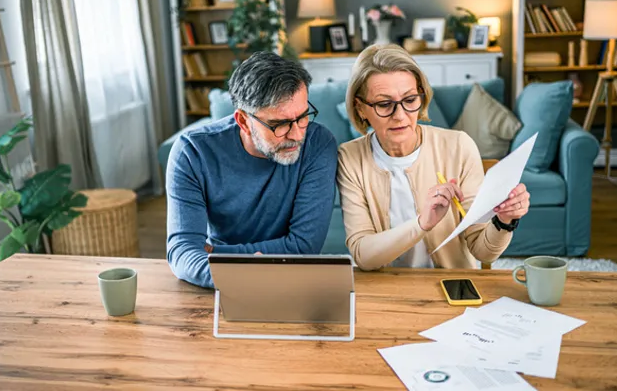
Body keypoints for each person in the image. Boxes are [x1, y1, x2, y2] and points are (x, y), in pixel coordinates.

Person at [337, 44, 530, 270]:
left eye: (409, 100)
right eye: (384, 104)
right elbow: (363, 255)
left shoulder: (459, 146)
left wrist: (504, 220)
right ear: (360, 108)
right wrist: (422, 223)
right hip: (386, 289)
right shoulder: (349, 158)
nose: (400, 116)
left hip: (451, 286)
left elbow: (483, 252)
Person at [166, 52, 338, 288]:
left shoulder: (319, 144)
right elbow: (182, 252)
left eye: (303, 117)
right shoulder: (192, 152)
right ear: (244, 121)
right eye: (280, 125)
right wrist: (240, 273)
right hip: (219, 287)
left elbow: (304, 246)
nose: (298, 135)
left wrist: (218, 253)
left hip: (292, 279)